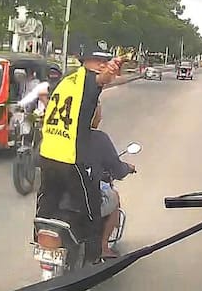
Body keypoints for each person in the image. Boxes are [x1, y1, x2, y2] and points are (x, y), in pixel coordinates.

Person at [35, 40, 122, 263]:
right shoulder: (88, 81)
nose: (103, 65)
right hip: (71, 159)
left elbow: (47, 99)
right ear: (87, 62)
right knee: (92, 211)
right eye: (99, 61)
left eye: (106, 61)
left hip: (47, 155)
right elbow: (100, 81)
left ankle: (42, 247)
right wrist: (109, 73)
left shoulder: (66, 80)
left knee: (46, 206)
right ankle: (94, 259)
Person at [87, 100, 135, 258]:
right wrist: (127, 168)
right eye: (98, 113)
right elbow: (117, 169)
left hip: (61, 188)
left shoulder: (64, 136)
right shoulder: (99, 138)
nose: (100, 118)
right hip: (88, 192)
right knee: (114, 198)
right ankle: (103, 247)